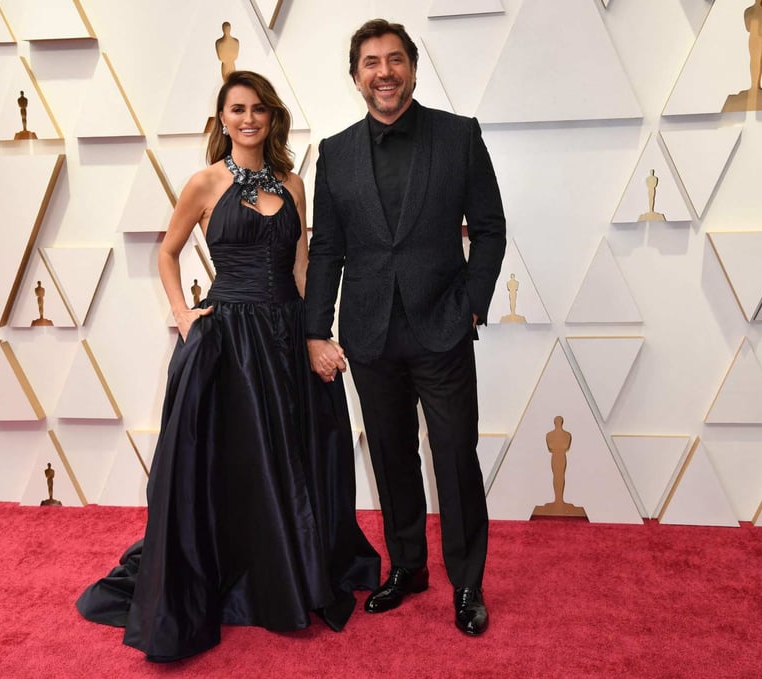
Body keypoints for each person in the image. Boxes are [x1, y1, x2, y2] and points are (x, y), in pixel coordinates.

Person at [76, 70, 380, 662]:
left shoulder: (293, 183)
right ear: (221, 120)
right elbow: (165, 251)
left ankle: (295, 568)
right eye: (237, 109)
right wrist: (183, 313)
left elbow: (301, 270)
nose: (248, 118)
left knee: (295, 454)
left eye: (258, 109)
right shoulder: (203, 183)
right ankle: (248, 575)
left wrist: (316, 336)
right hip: (230, 342)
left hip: (287, 335)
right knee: (239, 464)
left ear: (271, 118)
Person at [304, 19, 506, 636]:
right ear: (356, 76)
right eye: (370, 62)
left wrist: (471, 303)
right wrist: (316, 329)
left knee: (454, 457)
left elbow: (491, 228)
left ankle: (467, 581)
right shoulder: (335, 153)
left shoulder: (459, 136)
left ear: (413, 69)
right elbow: (327, 249)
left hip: (442, 326)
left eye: (394, 60)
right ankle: (408, 567)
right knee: (391, 457)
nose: (383, 72)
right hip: (368, 333)